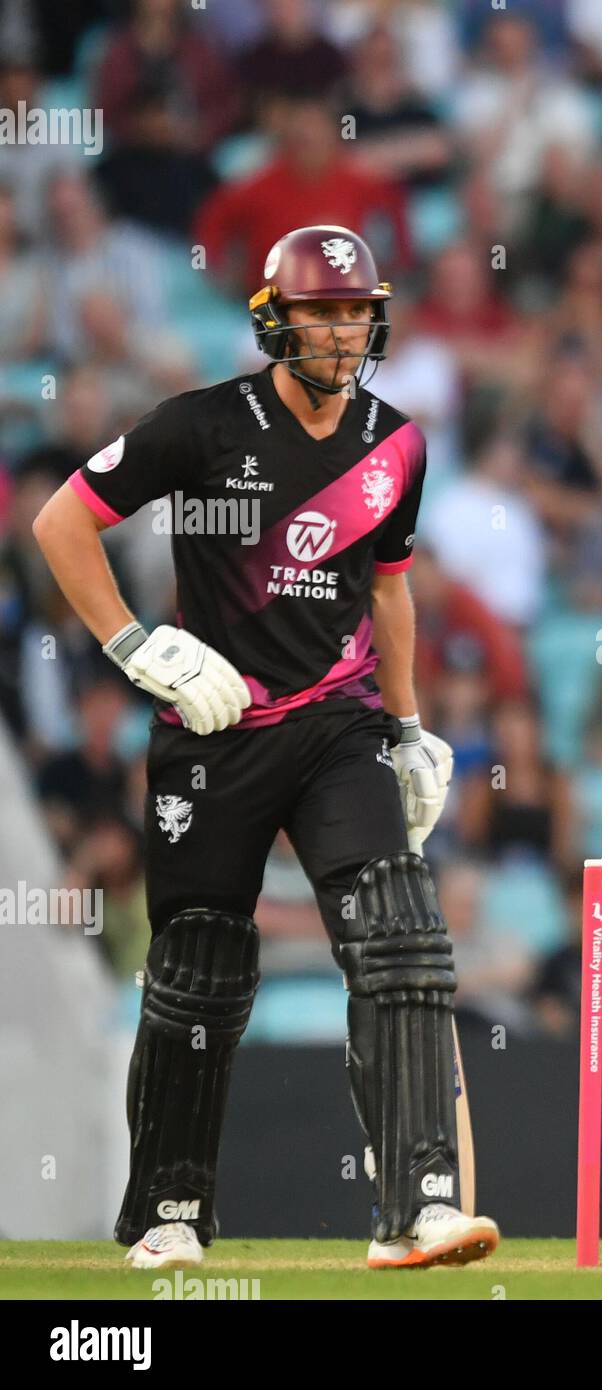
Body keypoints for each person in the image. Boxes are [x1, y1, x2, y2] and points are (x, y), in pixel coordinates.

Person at [31, 224, 498, 1272]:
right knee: (199, 970)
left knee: (400, 935)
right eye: (320, 311)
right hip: (212, 728)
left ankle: (419, 1206)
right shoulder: (199, 428)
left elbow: (388, 587)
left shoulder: (397, 443)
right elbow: (62, 522)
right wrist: (138, 645)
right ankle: (171, 1213)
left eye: (355, 311)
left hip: (339, 724)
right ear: (274, 320)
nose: (341, 331)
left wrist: (412, 728)